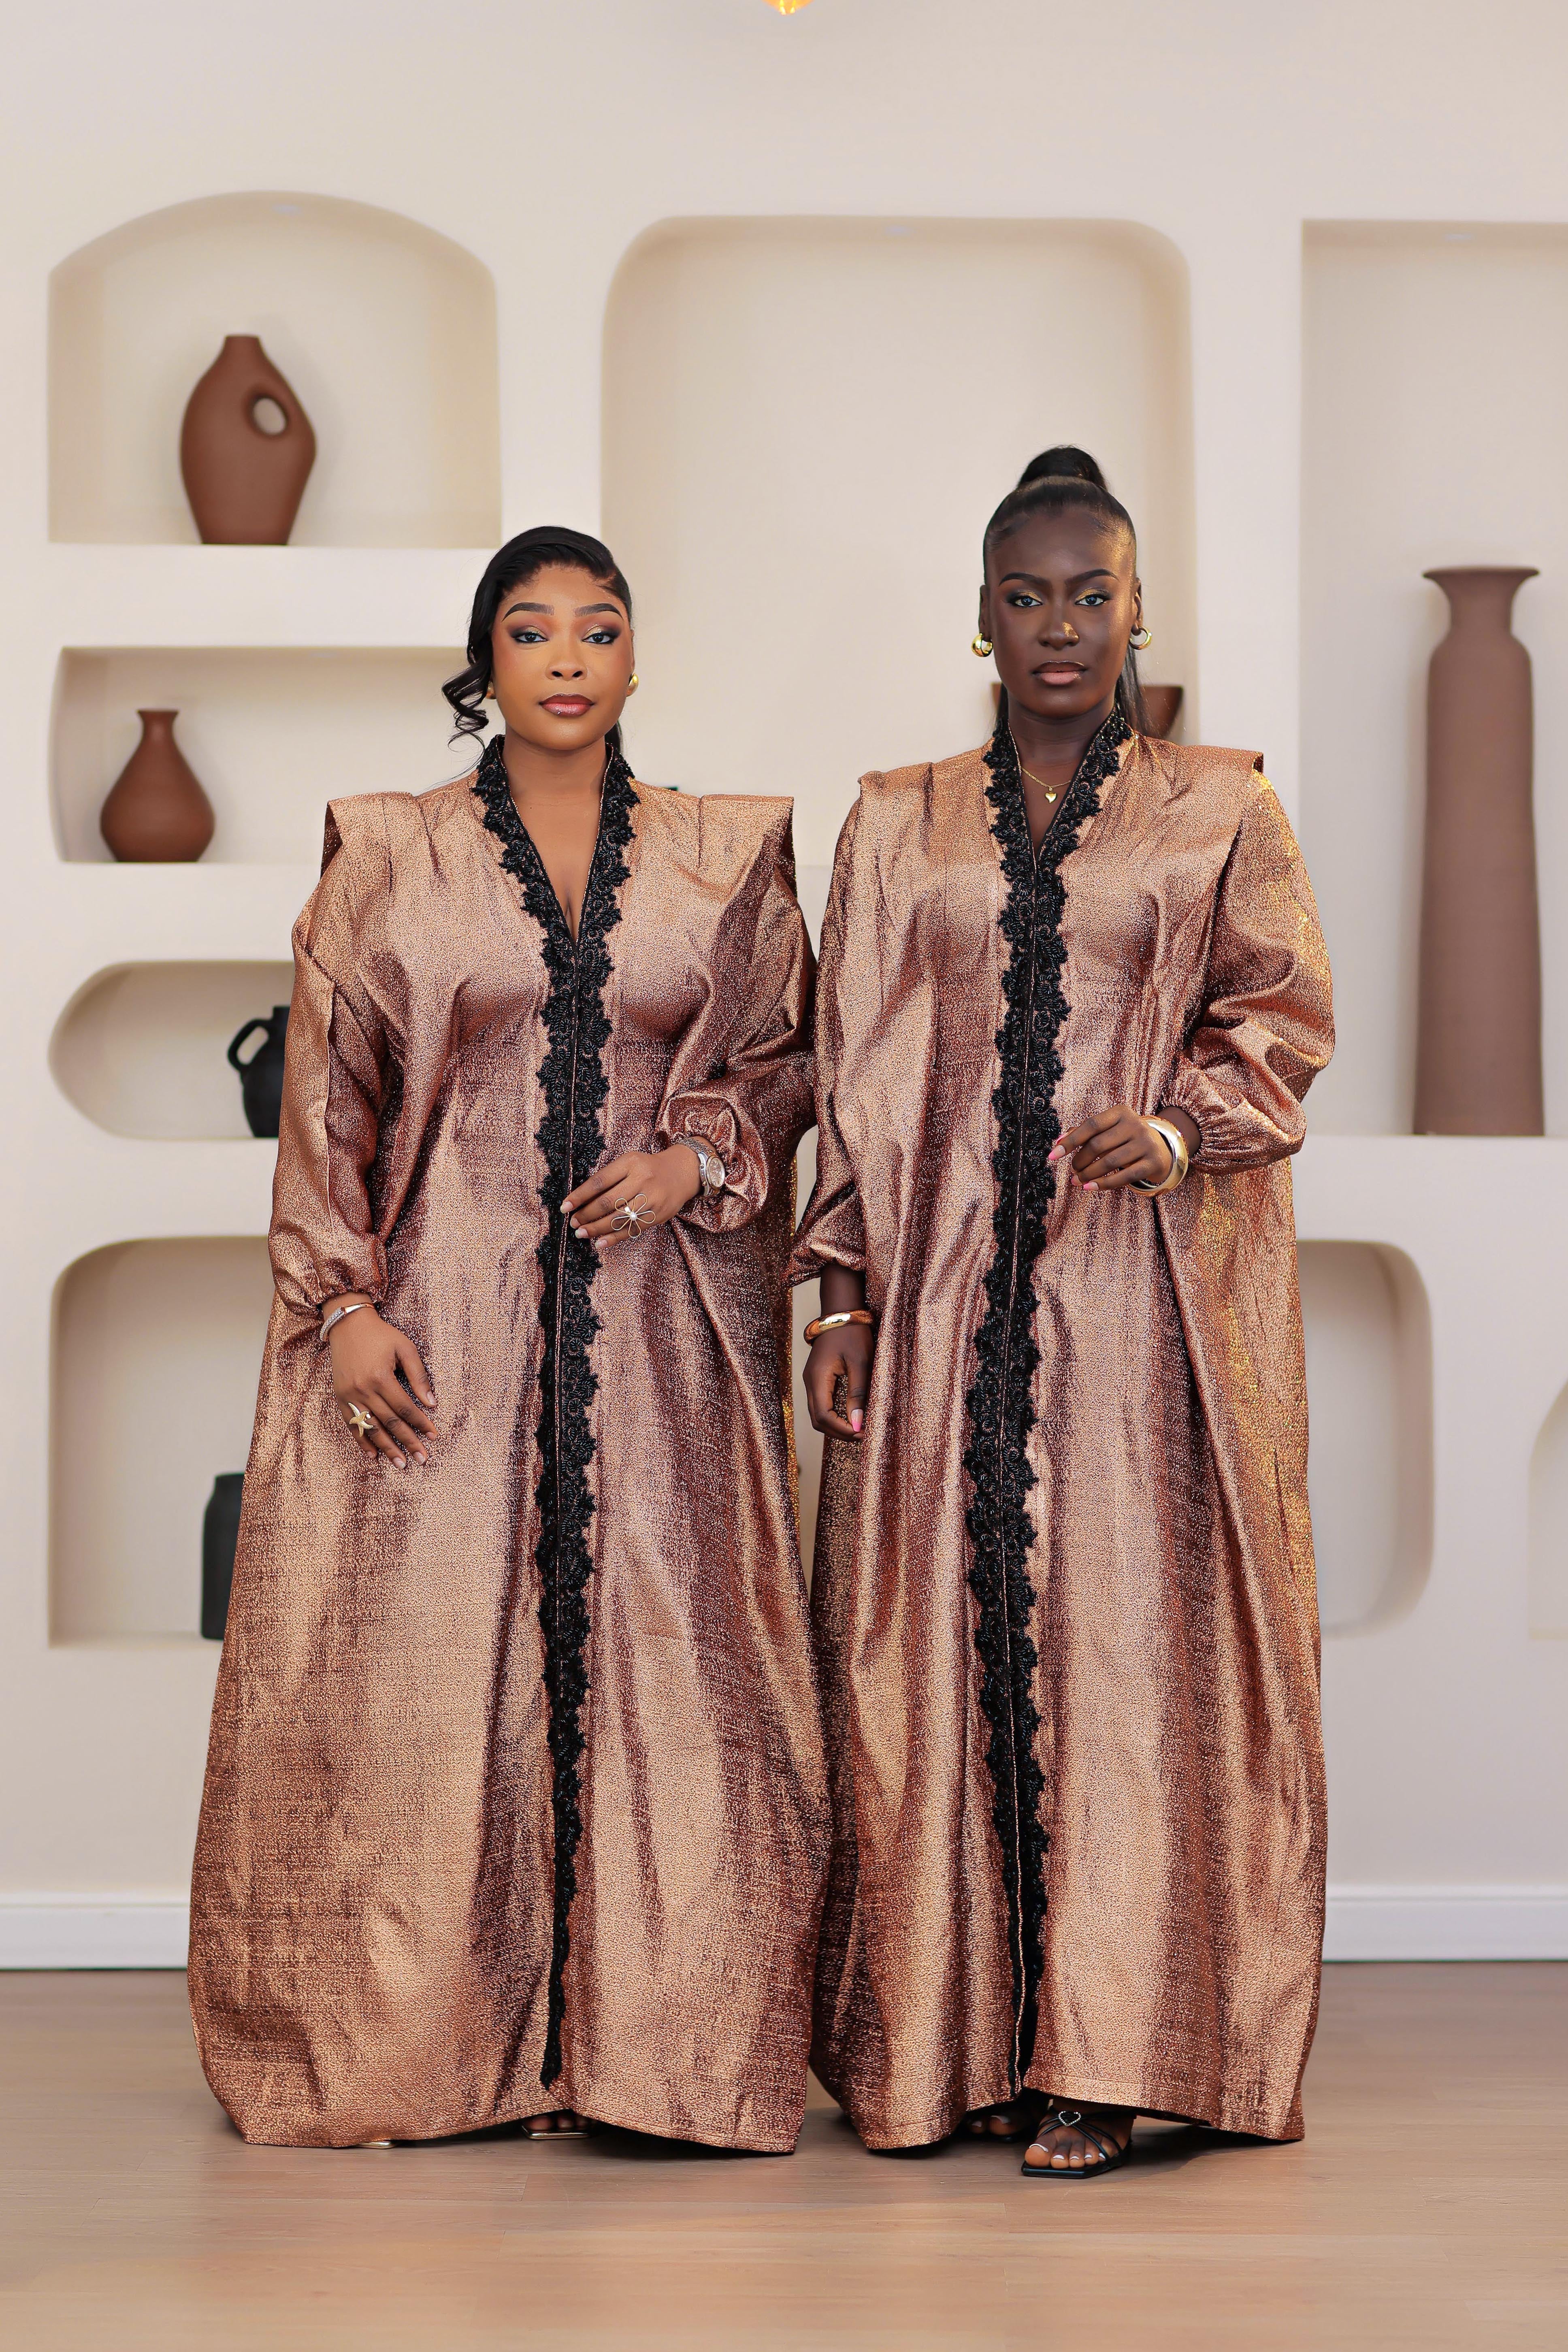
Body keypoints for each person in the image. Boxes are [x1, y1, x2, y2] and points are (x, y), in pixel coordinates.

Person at [190, 526, 827, 2154]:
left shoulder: (719, 854)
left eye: (596, 627)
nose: (564, 655)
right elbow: (329, 1094)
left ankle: (654, 2054)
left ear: (632, 658)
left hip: (660, 1335)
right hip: (442, 1327)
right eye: (530, 629)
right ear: (486, 663)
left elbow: (781, 1053)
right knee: (424, 1679)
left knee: (672, 1668)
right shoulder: (389, 854)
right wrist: (335, 1305)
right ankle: (439, 2045)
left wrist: (700, 1157)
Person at [791, 450, 1333, 2177]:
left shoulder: (1218, 806)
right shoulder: (897, 821)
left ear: (1136, 609)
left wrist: (1179, 1126)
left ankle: (1107, 2052)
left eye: (1088, 594)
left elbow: (1281, 1015)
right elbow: (851, 1065)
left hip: (1146, 1306)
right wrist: (846, 1296)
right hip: (948, 1297)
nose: (1057, 628)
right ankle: (949, 2045)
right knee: (938, 1650)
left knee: (1123, 1657)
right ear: (976, 618)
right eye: (1023, 597)